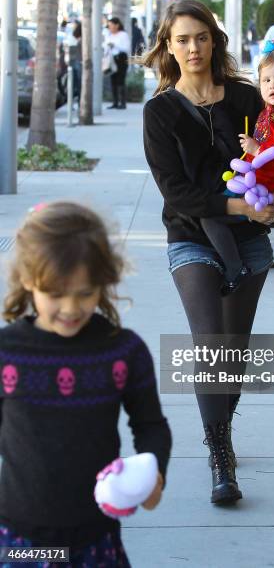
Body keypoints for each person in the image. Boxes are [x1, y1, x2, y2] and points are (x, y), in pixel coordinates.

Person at [142, 0, 274, 505]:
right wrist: (241, 208)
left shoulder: (249, 98)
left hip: (249, 242)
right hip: (191, 234)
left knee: (232, 350)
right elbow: (177, 192)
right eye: (182, 39)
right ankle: (220, 454)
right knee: (211, 343)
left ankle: (220, 422)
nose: (193, 47)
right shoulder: (160, 111)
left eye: (201, 37)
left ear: (215, 41)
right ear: (169, 46)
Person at [0, 201, 172, 566]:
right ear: (30, 280)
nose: (70, 308)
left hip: (96, 537)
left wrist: (154, 473)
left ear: (103, 283)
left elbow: (150, 424)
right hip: (18, 538)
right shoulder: (7, 352)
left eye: (84, 293)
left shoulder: (122, 352)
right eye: (56, 294)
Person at [201, 37, 274, 292]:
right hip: (253, 178)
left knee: (211, 217)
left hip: (262, 185)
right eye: (266, 80)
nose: (273, 85)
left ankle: (235, 267)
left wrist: (256, 149)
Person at [105, 17, 131, 109]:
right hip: (112, 59)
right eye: (109, 26)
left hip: (121, 59)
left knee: (121, 80)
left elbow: (126, 48)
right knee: (113, 80)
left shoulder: (123, 35)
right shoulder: (109, 36)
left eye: (112, 25)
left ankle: (122, 102)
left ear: (117, 25)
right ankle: (115, 102)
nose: (110, 28)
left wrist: (115, 45)